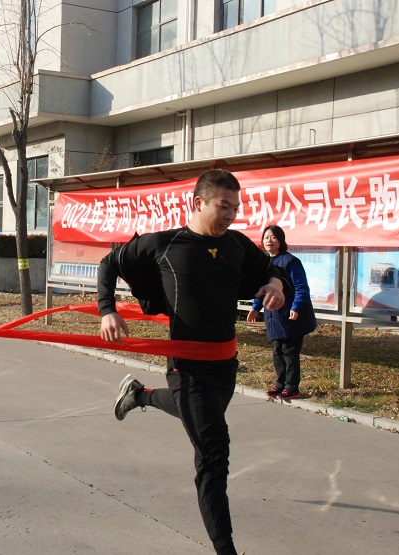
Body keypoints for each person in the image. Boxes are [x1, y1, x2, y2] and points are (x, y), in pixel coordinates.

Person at [98, 169, 286, 555]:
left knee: (195, 415)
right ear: (197, 203)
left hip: (225, 366)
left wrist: (275, 285)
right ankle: (225, 548)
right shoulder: (164, 244)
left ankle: (139, 395)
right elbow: (109, 263)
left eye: (235, 208)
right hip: (186, 366)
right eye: (223, 206)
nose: (231, 215)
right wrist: (107, 310)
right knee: (214, 452)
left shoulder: (236, 245)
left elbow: (272, 268)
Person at [246, 224, 317, 400]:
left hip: (291, 314)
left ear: (280, 241)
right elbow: (262, 289)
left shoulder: (290, 261)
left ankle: (292, 387)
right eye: (266, 237)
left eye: (273, 237)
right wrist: (255, 307)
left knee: (290, 351)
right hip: (274, 315)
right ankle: (280, 384)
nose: (269, 241)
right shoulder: (264, 263)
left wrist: (296, 307)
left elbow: (301, 287)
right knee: (277, 350)